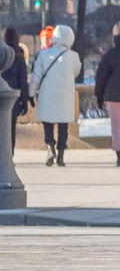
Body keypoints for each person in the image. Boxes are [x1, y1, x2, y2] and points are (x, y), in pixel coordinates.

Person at [29, 24, 82, 166]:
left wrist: (30, 94)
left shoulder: (43, 55)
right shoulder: (74, 56)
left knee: (48, 123)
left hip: (47, 94)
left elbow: (36, 77)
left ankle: (50, 146)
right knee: (63, 125)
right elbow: (76, 72)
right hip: (65, 96)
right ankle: (61, 155)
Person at [92, 22, 120, 167]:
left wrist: (99, 97)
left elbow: (101, 78)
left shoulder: (109, 55)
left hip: (114, 97)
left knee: (116, 126)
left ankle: (119, 154)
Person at [1, 27, 30, 155]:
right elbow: (23, 83)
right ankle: (9, 157)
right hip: (13, 101)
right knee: (11, 130)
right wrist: (24, 103)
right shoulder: (18, 58)